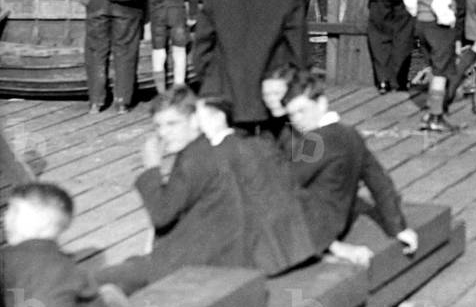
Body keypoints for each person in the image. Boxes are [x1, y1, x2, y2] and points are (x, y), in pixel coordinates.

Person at [96, 88, 251, 295]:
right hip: (212, 253)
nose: (163, 133)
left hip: (197, 264)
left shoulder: (194, 160)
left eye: (172, 124)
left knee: (95, 281)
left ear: (195, 120)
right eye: (158, 126)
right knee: (125, 270)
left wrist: (151, 168)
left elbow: (161, 214)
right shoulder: (202, 150)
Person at [281, 74, 418, 265]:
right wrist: (398, 227)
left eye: (302, 111)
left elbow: (286, 184)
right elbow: (379, 182)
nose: (296, 120)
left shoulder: (314, 141)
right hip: (335, 223)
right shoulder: (350, 135)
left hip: (310, 231)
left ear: (321, 103)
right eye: (291, 115)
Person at [194, 0, 309, 133]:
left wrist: (216, 88)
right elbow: (301, 59)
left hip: (227, 104)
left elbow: (201, 56)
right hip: (272, 105)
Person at [194, 96, 317, 276]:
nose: (194, 126)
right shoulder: (261, 144)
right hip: (295, 245)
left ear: (219, 118)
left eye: (197, 120)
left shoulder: (215, 156)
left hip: (255, 259)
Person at [2, 183, 134, 307]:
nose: (5, 217)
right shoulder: (69, 269)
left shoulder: (6, 261)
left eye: (14, 211)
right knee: (108, 293)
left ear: (44, 223)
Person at [403, 0, 461, 132]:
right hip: (438, 26)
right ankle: (435, 116)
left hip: (421, 23)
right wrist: (450, 19)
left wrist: (418, 13)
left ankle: (431, 113)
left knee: (434, 66)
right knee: (440, 72)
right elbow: (440, 4)